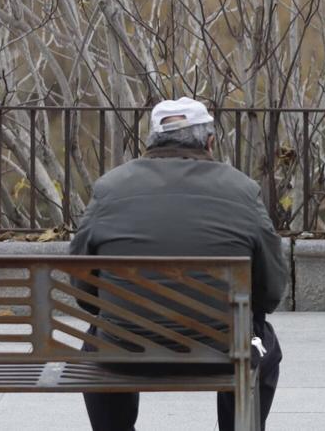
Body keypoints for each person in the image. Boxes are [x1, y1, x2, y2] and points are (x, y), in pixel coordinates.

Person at [69, 97, 288, 431]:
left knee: (98, 339)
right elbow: (271, 288)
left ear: (151, 142)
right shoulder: (242, 190)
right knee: (262, 346)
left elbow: (83, 287)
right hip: (222, 350)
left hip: (125, 351)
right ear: (210, 142)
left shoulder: (109, 189)